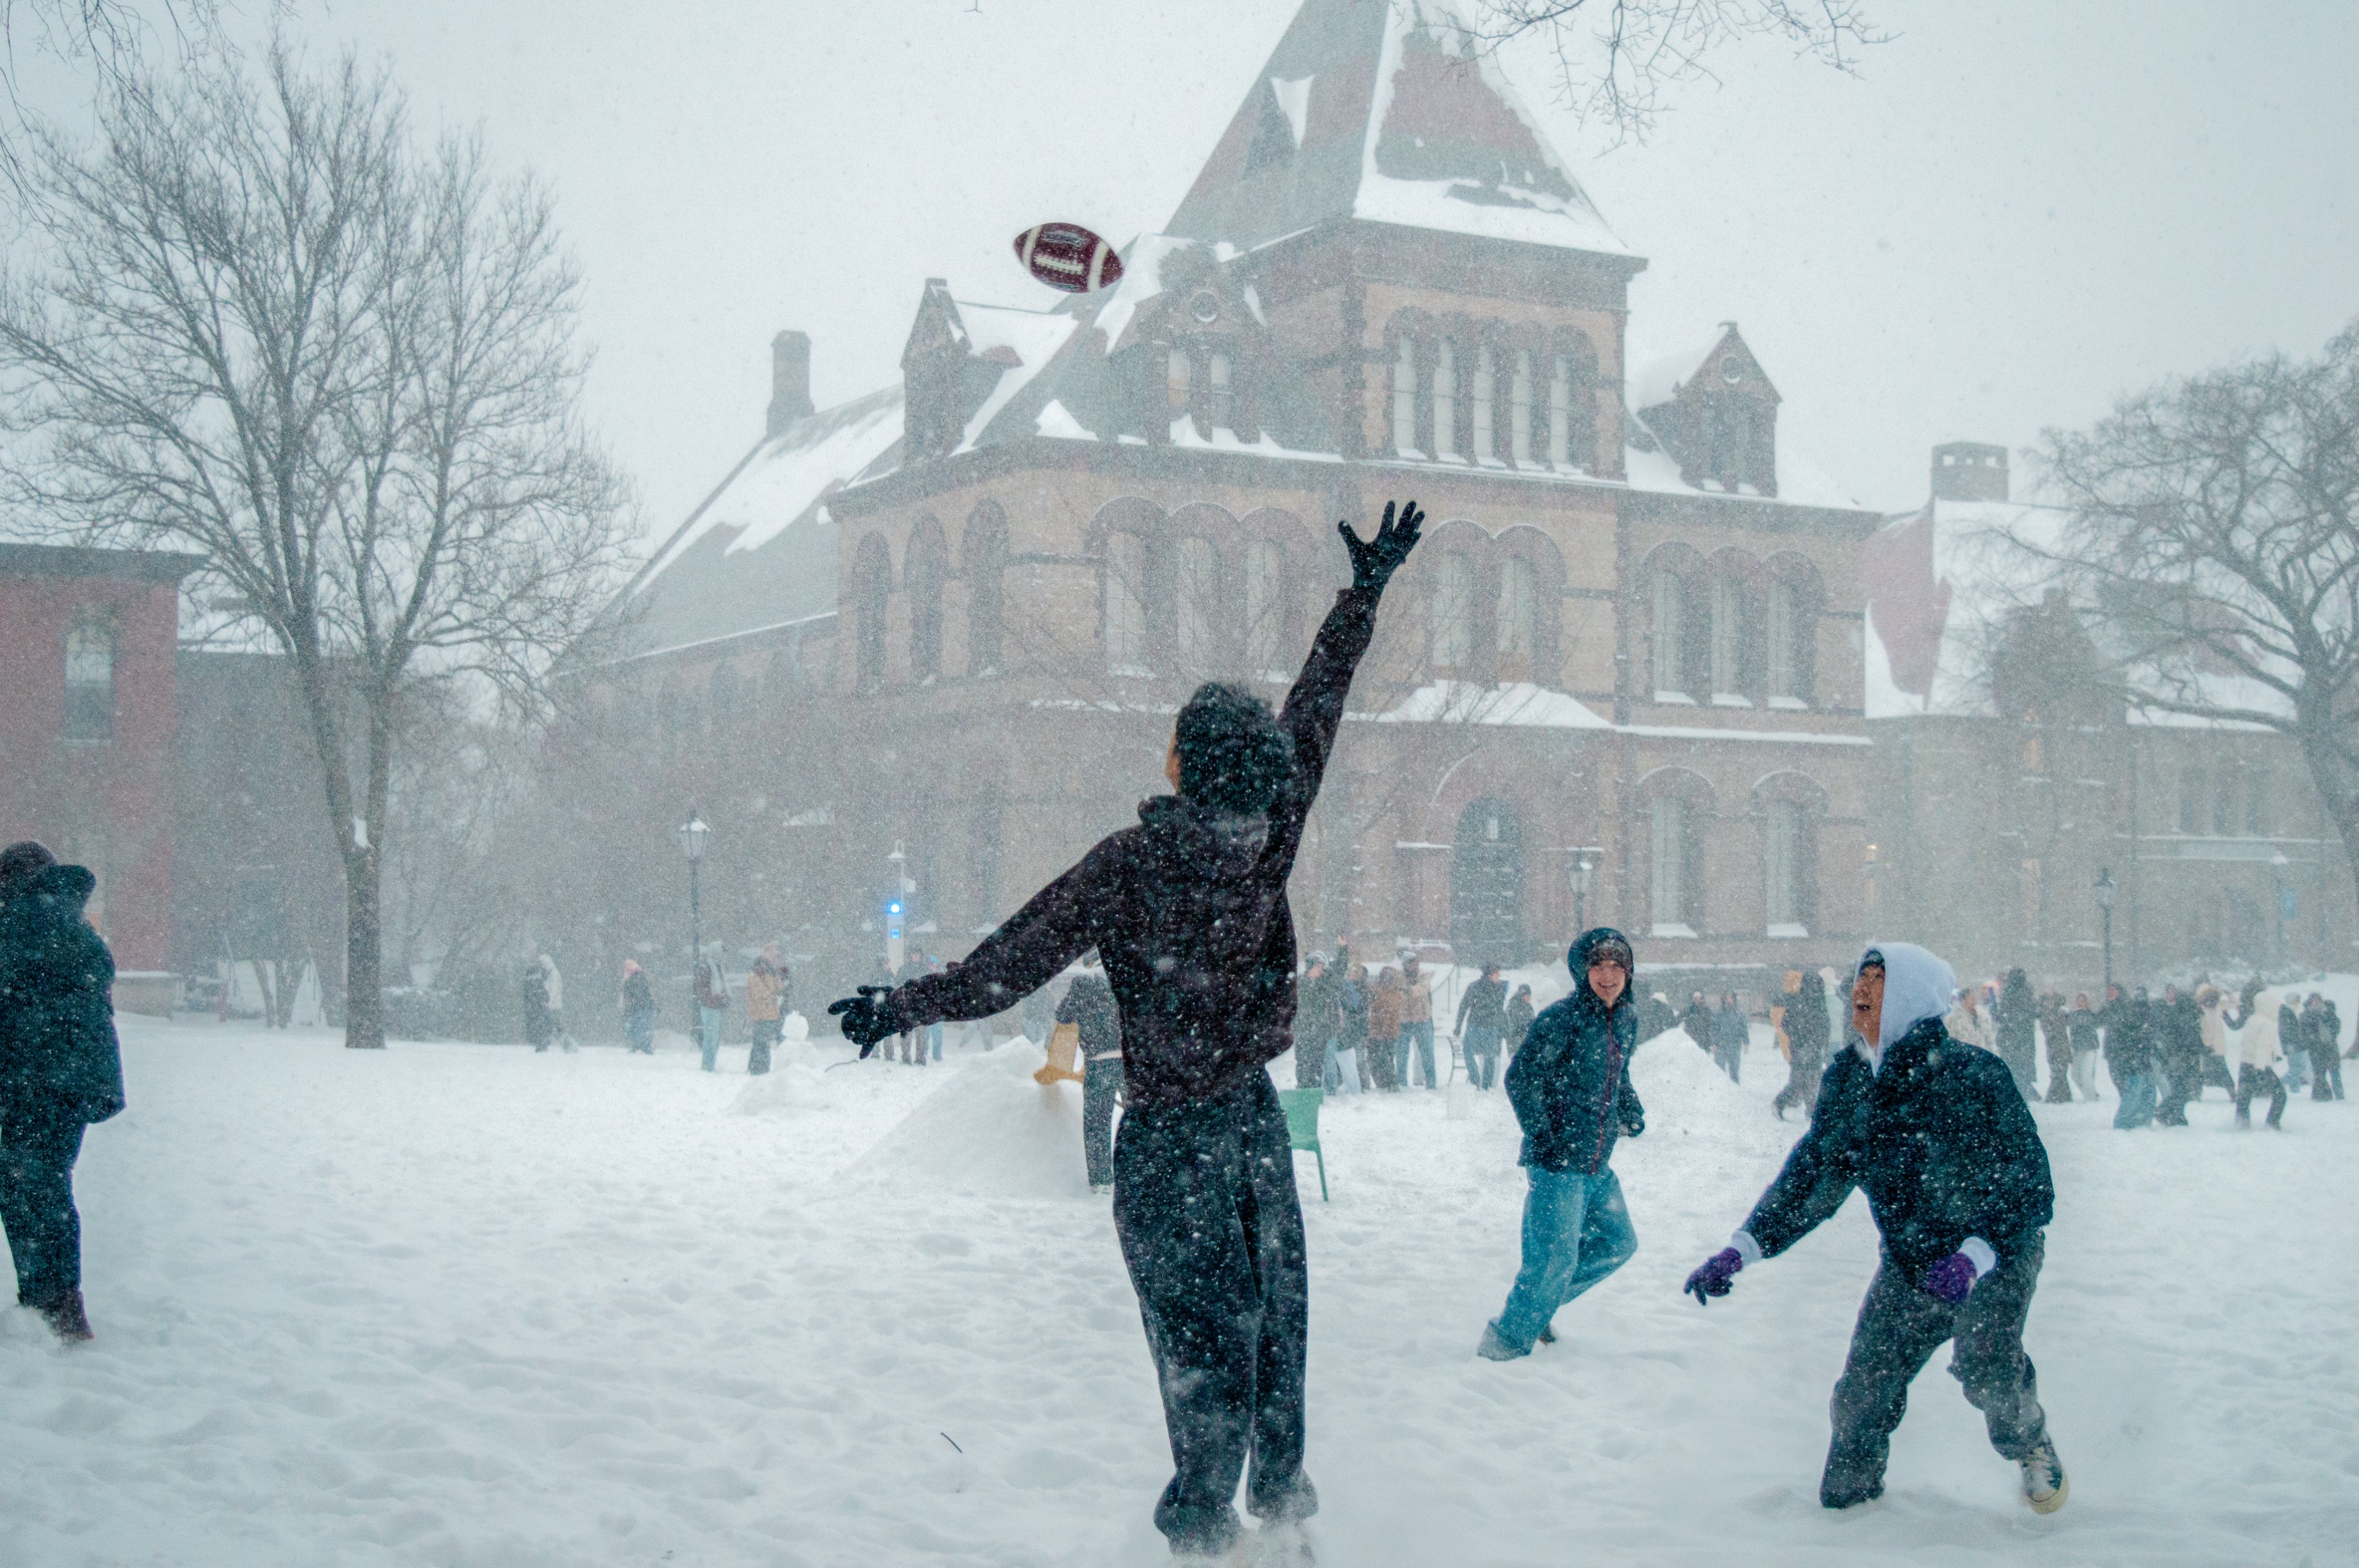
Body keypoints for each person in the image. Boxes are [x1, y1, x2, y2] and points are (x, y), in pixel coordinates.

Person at [824, 498, 1426, 1562]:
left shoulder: (1130, 865)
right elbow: (1316, 716)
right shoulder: (1270, 834)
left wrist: (896, 1005)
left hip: (1170, 1141)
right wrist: (1359, 601)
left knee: (1199, 1353)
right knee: (1277, 1332)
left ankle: (1207, 1533)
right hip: (1249, 1129)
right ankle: (1285, 1522)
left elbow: (1003, 966)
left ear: (1184, 767)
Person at [1682, 940, 2066, 1516]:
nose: (1859, 991)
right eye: (1859, 980)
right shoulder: (1850, 1082)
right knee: (1861, 1396)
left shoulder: (1973, 1076)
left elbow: (2028, 1184)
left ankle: (2030, 1442)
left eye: (1879, 981)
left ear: (1913, 995)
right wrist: (1744, 1249)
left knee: (1987, 1365)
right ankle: (1853, 1513)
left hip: (1994, 1256)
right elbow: (1814, 1176)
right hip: (1911, 1268)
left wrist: (1972, 1256)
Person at [1479, 928, 1645, 1360]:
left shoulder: (1626, 1019)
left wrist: (1630, 1108)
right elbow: (1521, 1078)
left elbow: (1618, 1071)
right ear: (1582, 970)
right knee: (1552, 1262)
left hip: (1596, 1163)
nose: (1607, 976)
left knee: (1618, 1244)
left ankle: (1537, 1309)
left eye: (1616, 966)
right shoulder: (1561, 1019)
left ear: (1628, 972)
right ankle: (1505, 1346)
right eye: (1597, 966)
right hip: (1558, 1164)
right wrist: (1544, 1133)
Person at [0, 841, 125, 1343]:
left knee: (28, 1189)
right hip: (71, 1083)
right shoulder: (72, 923)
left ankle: (51, 1309)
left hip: (26, 1079)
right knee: (46, 1184)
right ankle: (58, 1303)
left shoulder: (17, 921)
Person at [1059, 963, 1124, 1191]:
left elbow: (1063, 1015)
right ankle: (1143, 1174)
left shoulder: (1083, 981)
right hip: (1130, 1061)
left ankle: (1102, 1180)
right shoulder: (1126, 971)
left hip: (1098, 1062)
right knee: (1141, 1119)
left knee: (1097, 1124)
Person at [2227, 981, 2288, 1131]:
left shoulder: (2251, 1019)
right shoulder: (2267, 1023)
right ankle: (2272, 1123)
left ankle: (2242, 1124)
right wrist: (2261, 1069)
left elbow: (2247, 1043)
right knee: (2280, 1094)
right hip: (2259, 1065)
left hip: (2245, 1064)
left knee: (2244, 1097)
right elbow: (2262, 1047)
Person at [1773, 968, 1831, 1121]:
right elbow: (1825, 1025)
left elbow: (1785, 1024)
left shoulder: (1800, 1001)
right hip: (1808, 1048)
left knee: (1804, 1082)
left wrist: (1798, 1037)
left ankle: (1806, 1110)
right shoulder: (1817, 1003)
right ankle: (1809, 1111)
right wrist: (1814, 1039)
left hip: (1803, 1048)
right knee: (1806, 1082)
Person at [2101, 984, 2160, 1129]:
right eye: (2108, 992)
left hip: (2130, 1054)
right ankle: (2135, 1118)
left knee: (2135, 1087)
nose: (2110, 994)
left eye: (2113, 991)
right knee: (2132, 1087)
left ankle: (2131, 1119)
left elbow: (2129, 1030)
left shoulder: (2126, 1008)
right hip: (2123, 1054)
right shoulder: (2111, 1009)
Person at [2155, 983, 2204, 1124]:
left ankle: (2175, 1115)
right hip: (2182, 1057)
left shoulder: (2175, 1014)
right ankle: (2165, 1111)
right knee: (2182, 1089)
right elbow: (2190, 1038)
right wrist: (2196, 1050)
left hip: (2174, 1056)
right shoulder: (2187, 1017)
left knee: (2179, 1087)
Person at [1457, 963, 1509, 1091]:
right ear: (1489, 975)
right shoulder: (1475, 987)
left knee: (1489, 1056)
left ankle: (1486, 1084)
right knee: (1469, 1053)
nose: (1499, 977)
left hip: (1490, 1026)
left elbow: (1499, 1009)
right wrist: (1458, 1025)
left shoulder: (1499, 989)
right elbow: (1464, 1006)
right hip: (1475, 1025)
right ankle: (1475, 1079)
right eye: (1496, 974)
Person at [1294, 955, 1336, 1090]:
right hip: (1303, 1031)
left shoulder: (1324, 984)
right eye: (1318, 967)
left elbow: (1339, 973)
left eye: (1322, 967)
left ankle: (1314, 1091)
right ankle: (1303, 1089)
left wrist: (1342, 950)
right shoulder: (1299, 983)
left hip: (1319, 1032)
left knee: (1317, 1064)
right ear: (1310, 967)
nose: (1320, 970)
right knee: (1303, 1062)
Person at [745, 944, 788, 1075]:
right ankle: (758, 1067)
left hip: (771, 1015)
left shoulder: (770, 976)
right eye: (761, 966)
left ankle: (759, 1067)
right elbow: (760, 995)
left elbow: (779, 988)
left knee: (764, 1043)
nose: (763, 968)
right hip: (760, 1016)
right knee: (760, 1043)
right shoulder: (753, 978)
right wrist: (773, 995)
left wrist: (776, 976)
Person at [1995, 968, 2037, 1099]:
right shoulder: (2026, 992)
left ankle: (2017, 1098)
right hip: (2020, 1041)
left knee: (2015, 1071)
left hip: (2013, 1041)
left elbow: (2004, 1015)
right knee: (2021, 1071)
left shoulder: (2010, 993)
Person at [1400, 952, 1438, 1089]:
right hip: (1404, 1021)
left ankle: (1431, 1083)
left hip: (1423, 1020)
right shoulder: (1399, 977)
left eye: (1415, 962)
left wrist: (1408, 991)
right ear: (1405, 964)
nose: (1414, 965)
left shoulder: (1424, 975)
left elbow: (1421, 990)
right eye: (1410, 963)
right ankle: (1401, 1083)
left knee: (1427, 1054)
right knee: (1401, 1055)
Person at [1366, 966, 1404, 1091]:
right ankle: (1381, 1083)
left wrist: (1378, 999)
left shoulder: (1396, 992)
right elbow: (1371, 1004)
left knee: (1386, 1058)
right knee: (1373, 1058)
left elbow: (1390, 1007)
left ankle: (1391, 1083)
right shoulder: (1374, 989)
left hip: (1389, 1031)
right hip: (1375, 1030)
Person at [1332, 963, 1367, 1095]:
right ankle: (1345, 1085)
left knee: (1356, 1059)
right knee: (1345, 1059)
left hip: (1355, 1028)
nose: (1352, 977)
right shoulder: (1342, 988)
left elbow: (1357, 1008)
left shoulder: (1359, 988)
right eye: (1350, 974)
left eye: (1355, 974)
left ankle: (1359, 1086)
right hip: (1345, 1028)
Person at [693, 944, 727, 1073]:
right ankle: (707, 1065)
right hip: (709, 1007)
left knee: (715, 1038)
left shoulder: (718, 967)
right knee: (710, 1038)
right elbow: (702, 989)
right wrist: (713, 998)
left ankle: (710, 1063)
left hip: (717, 1006)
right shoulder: (706, 967)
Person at [2066, 992, 2102, 1101]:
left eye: (2083, 1001)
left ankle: (2091, 1100)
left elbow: (2097, 1022)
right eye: (2079, 1001)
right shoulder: (2072, 1016)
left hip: (2090, 1050)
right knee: (2075, 1075)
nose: (2081, 1003)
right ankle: (2091, 1093)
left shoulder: (2091, 1015)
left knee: (2086, 1075)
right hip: (2077, 1050)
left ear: (2087, 1002)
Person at [2038, 991, 2073, 1105]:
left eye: (2051, 1000)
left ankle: (2054, 1097)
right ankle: (2064, 1096)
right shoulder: (2045, 1014)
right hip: (2053, 1048)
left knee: (2059, 1073)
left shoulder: (2061, 1012)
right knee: (2058, 1073)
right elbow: (2047, 1030)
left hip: (2061, 1047)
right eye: (2047, 1000)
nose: (2049, 1003)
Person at [1710, 992, 1748, 1084]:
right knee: (1719, 1070)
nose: (1729, 1000)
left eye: (1731, 998)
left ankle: (1735, 1091)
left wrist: (1746, 1042)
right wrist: (1714, 1043)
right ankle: (1720, 1089)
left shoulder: (1739, 1015)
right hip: (1721, 1046)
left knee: (1734, 1071)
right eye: (1727, 998)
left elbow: (1743, 1029)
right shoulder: (1719, 1014)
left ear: (1734, 1000)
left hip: (1735, 1046)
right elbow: (1714, 1029)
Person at [619, 959, 655, 1054]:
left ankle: (645, 1047)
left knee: (639, 1028)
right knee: (635, 1028)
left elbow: (635, 995)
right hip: (639, 1009)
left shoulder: (636, 979)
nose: (625, 972)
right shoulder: (634, 979)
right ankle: (640, 1045)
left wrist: (630, 1006)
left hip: (641, 1009)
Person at [522, 958, 554, 1051]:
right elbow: (547, 997)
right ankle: (543, 1045)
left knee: (536, 1032)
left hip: (531, 1013)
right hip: (541, 1011)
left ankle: (539, 1045)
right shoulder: (539, 983)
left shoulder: (527, 984)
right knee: (544, 1030)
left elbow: (526, 999)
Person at [1505, 985, 1536, 1059]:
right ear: (1522, 995)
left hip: (1527, 1043)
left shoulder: (1528, 1007)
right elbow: (1511, 1030)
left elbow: (1533, 1022)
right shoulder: (1512, 1008)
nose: (1529, 998)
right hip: (1516, 1045)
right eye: (1527, 995)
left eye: (1529, 996)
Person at [1682, 991, 1713, 1055]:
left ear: (1701, 998)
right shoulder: (1689, 1010)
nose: (1697, 1000)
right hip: (1691, 1039)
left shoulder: (1706, 1010)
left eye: (1698, 998)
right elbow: (1680, 1018)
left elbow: (1710, 1025)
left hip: (1704, 1040)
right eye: (1695, 998)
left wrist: (1709, 1040)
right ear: (1693, 999)